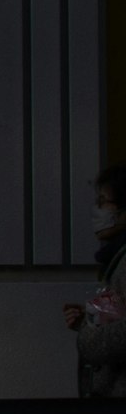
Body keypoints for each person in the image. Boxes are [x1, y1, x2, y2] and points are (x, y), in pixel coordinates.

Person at [62, 164, 126, 401]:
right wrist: (89, 318)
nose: (96, 211)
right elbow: (118, 312)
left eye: (103, 202)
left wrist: (88, 331)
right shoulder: (116, 261)